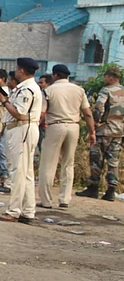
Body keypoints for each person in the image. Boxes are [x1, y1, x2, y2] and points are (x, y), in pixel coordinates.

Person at [38, 64, 95, 209]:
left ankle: (46, 201)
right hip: (73, 126)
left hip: (55, 126)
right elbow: (87, 113)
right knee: (68, 163)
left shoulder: (48, 90)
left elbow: (42, 114)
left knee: (48, 164)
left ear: (55, 75)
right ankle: (65, 199)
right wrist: (92, 131)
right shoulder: (79, 90)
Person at [0, 58, 44, 223]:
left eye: (17, 69)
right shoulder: (25, 88)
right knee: (26, 172)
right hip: (21, 128)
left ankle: (14, 210)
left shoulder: (28, 89)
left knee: (17, 171)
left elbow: (19, 113)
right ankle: (28, 210)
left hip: (23, 128)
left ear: (21, 70)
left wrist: (4, 102)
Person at [77, 66, 123, 201]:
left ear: (110, 77)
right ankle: (111, 190)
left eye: (105, 76)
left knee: (96, 159)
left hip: (104, 130)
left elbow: (98, 107)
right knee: (113, 161)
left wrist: (95, 123)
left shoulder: (106, 90)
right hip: (118, 131)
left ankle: (93, 187)